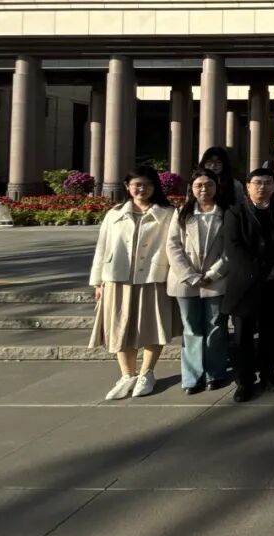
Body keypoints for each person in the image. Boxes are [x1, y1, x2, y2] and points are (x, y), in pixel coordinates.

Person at [89, 166, 178, 400]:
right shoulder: (114, 214)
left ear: (155, 187)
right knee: (119, 328)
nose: (141, 189)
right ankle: (127, 375)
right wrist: (97, 282)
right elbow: (102, 247)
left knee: (152, 327)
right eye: (137, 184)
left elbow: (174, 246)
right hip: (117, 277)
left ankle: (147, 373)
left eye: (147, 184)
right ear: (127, 187)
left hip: (153, 277)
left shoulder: (168, 213)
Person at [223, 168, 274, 402]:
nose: (263, 187)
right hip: (245, 284)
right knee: (243, 337)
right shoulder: (235, 213)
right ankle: (244, 381)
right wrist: (262, 270)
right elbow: (234, 248)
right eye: (258, 182)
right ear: (248, 186)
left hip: (273, 284)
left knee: (270, 334)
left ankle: (269, 375)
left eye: (268, 183)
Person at [166, 168, 230, 394]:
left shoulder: (225, 213)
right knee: (191, 329)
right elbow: (173, 246)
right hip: (185, 281)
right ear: (191, 189)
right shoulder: (181, 212)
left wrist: (213, 273)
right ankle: (192, 378)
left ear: (216, 187)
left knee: (216, 327)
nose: (204, 189)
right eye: (199, 185)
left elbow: (229, 249)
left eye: (209, 184)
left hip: (216, 280)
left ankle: (215, 373)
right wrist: (190, 275)